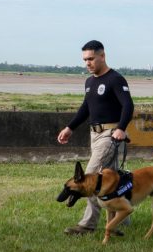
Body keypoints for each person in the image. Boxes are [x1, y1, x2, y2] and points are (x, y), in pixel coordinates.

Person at [56, 40, 134, 236]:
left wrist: (121, 128)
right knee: (113, 181)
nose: (87, 63)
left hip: (111, 135)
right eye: (85, 60)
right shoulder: (90, 82)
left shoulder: (115, 79)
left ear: (102, 56)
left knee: (90, 178)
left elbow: (128, 105)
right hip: (95, 135)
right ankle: (121, 219)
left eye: (90, 58)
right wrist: (70, 127)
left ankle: (87, 225)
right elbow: (86, 108)